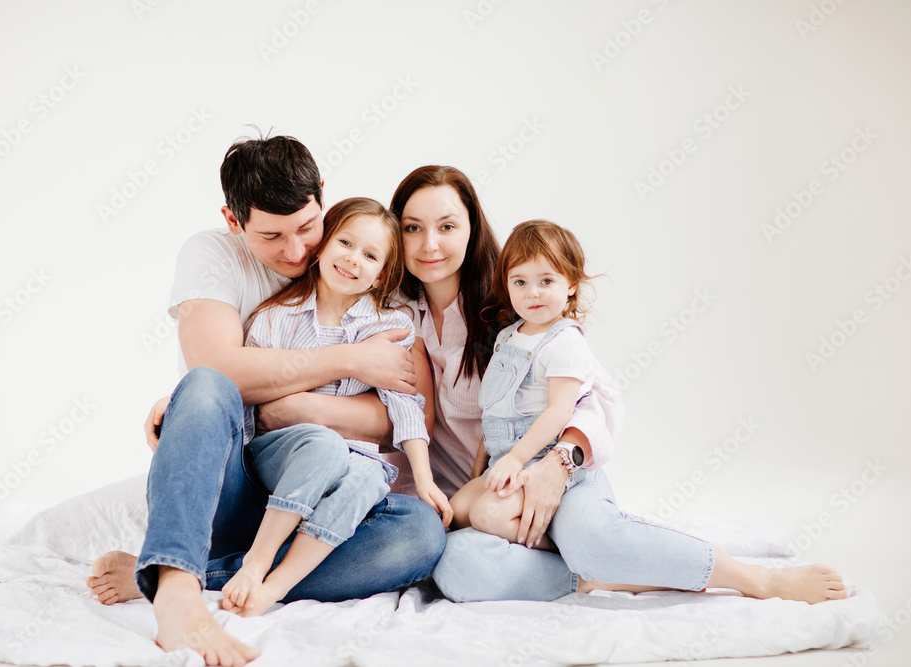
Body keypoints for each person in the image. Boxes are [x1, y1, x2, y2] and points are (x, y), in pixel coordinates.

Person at [272, 164, 847, 605]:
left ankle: (757, 580)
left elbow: (596, 399)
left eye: (448, 226)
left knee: (591, 533)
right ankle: (611, 572)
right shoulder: (390, 316)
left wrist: (558, 464)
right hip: (478, 502)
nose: (430, 245)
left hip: (553, 472)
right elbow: (381, 404)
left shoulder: (516, 306)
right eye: (413, 229)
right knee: (459, 572)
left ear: (473, 230)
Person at [86, 136, 445, 667]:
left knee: (419, 533)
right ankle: (178, 592)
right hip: (241, 483)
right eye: (272, 236)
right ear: (234, 221)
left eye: (307, 227)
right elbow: (220, 369)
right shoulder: (216, 259)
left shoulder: (376, 294)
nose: (298, 251)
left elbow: (407, 416)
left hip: (328, 493)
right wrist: (351, 361)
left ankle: (203, 574)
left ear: (322, 197)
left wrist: (304, 410)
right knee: (205, 386)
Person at [221, 197, 451, 617]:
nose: (352, 260)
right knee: (324, 446)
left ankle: (274, 586)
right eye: (345, 243)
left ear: (382, 273)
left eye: (370, 255)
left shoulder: (388, 327)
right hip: (280, 459)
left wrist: (424, 478)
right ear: (323, 244)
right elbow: (245, 397)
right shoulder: (276, 316)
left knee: (370, 478)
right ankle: (255, 560)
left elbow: (405, 404)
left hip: (348, 464)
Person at [449, 220, 602, 551]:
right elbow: (496, 406)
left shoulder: (564, 342)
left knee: (486, 516)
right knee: (457, 513)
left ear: (571, 283)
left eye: (546, 280)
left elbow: (560, 411)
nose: (532, 292)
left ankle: (563, 553)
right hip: (501, 456)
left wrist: (517, 459)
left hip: (538, 458)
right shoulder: (507, 336)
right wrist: (483, 462)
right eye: (520, 282)